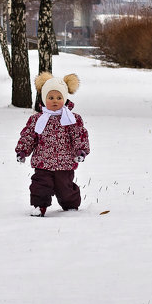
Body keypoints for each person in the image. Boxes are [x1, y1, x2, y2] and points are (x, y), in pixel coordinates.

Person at [15, 72, 90, 217]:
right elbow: (29, 136)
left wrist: (81, 151)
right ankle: (39, 206)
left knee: (65, 188)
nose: (55, 101)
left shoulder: (72, 119)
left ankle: (70, 206)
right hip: (42, 162)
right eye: (50, 97)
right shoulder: (37, 119)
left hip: (65, 163)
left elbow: (79, 135)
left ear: (65, 98)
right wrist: (23, 151)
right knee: (39, 186)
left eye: (59, 97)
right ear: (44, 99)